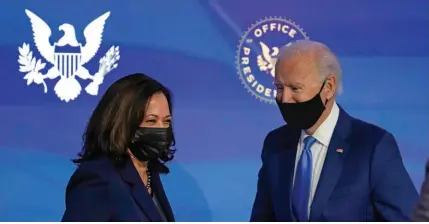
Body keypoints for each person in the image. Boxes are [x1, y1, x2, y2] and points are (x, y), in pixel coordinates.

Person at [250, 40, 419, 222]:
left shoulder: (373, 147)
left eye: (295, 88)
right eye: (279, 88)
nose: (285, 99)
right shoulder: (275, 143)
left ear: (328, 88)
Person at [62, 73, 176, 222]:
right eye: (151, 121)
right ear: (123, 123)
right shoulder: (98, 179)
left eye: (166, 121)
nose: (162, 129)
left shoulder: (149, 173)